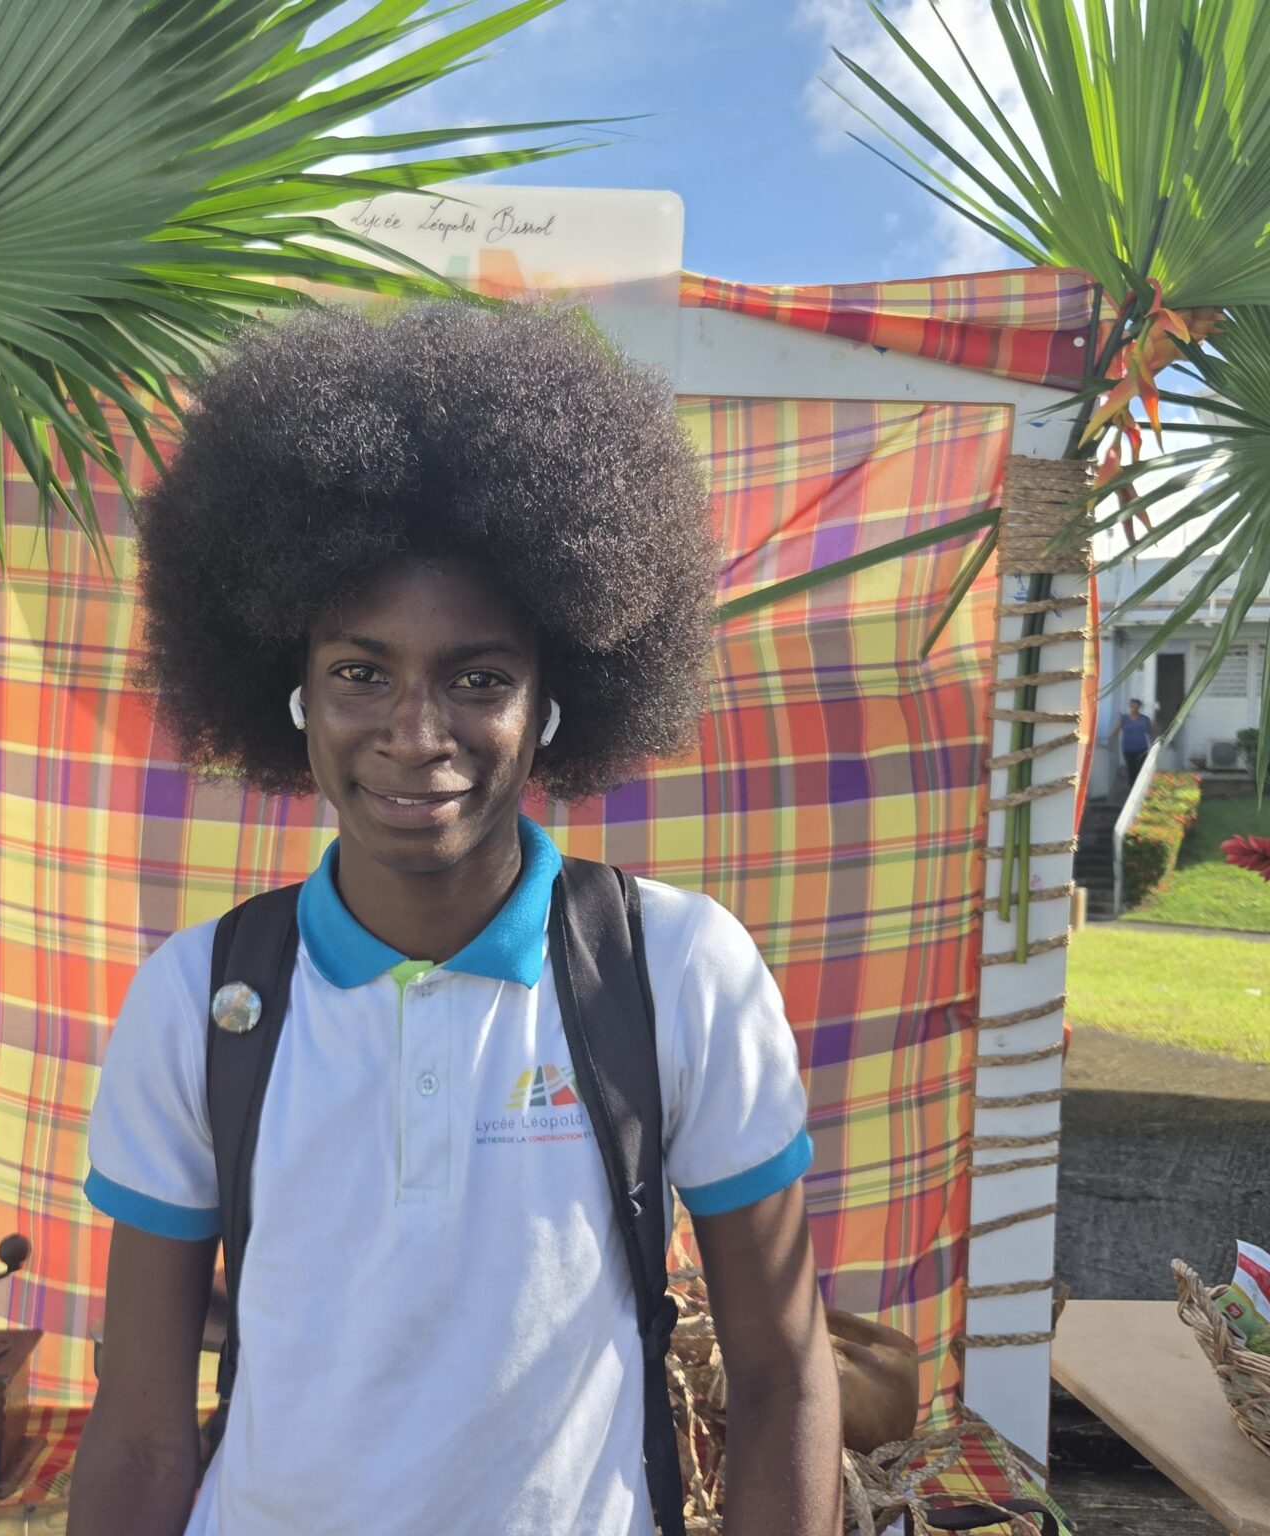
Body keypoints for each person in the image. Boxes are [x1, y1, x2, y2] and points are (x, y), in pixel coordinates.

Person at [68, 301, 843, 1536]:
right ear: (291, 692)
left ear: (554, 701)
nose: (415, 733)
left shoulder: (676, 973)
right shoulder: (201, 1003)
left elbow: (784, 1374)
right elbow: (144, 1428)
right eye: (359, 672)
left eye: (479, 677)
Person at [1110, 696, 1155, 790]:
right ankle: (1132, 788)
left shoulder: (1145, 719)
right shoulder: (1124, 719)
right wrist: (1109, 739)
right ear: (1130, 706)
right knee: (1131, 768)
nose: (1134, 708)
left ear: (1139, 707)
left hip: (1142, 748)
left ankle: (1141, 787)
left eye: (1136, 706)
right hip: (1128, 748)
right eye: (1132, 706)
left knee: (1141, 768)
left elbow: (1150, 732)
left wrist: (1153, 745)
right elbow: (1115, 731)